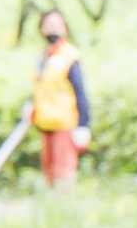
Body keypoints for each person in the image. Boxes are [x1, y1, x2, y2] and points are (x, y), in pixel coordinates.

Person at [24, 11, 93, 188]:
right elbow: (40, 88)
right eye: (48, 24)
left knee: (64, 175)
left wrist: (83, 125)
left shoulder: (69, 56)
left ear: (65, 28)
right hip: (45, 123)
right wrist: (30, 104)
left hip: (65, 124)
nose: (52, 28)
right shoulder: (43, 56)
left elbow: (80, 92)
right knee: (49, 175)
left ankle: (66, 210)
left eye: (57, 24)